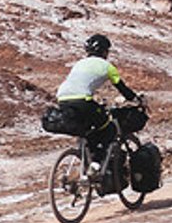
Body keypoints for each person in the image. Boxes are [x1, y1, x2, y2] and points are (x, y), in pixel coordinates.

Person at [55, 33, 143, 168]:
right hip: (82, 100)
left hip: (62, 99)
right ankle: (96, 164)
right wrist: (136, 99)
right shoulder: (107, 66)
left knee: (88, 128)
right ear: (104, 51)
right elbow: (122, 88)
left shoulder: (79, 64)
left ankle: (86, 160)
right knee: (108, 128)